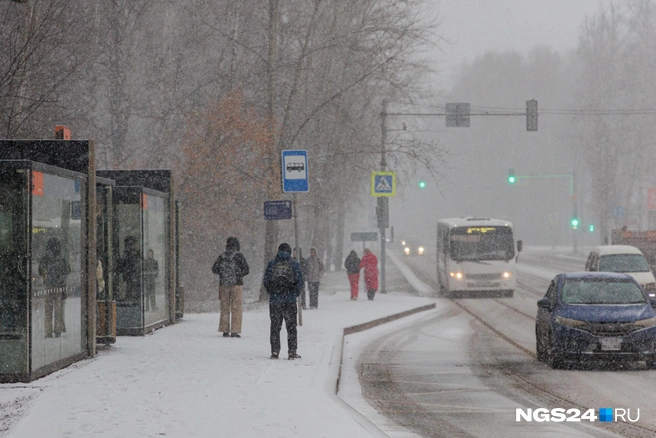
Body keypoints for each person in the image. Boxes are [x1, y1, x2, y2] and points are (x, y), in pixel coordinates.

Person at [263, 243, 304, 360]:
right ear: (289, 252)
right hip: (289, 301)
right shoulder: (294, 265)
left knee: (275, 327)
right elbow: (300, 282)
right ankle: (292, 351)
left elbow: (266, 281)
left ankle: (275, 351)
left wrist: (272, 293)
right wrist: (293, 294)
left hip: (275, 301)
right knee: (291, 327)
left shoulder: (272, 264)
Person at [212, 237, 249, 338]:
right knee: (236, 308)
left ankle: (224, 329)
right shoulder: (239, 256)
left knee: (225, 308)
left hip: (224, 285)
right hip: (237, 285)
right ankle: (235, 330)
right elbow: (246, 270)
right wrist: (238, 275)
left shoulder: (222, 256)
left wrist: (223, 274)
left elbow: (214, 269)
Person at [39, 237, 71, 338]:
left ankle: (48, 331)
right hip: (59, 286)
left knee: (48, 309)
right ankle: (58, 330)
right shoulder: (61, 257)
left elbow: (40, 270)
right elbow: (67, 270)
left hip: (48, 285)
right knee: (58, 309)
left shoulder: (45, 257)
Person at [116, 236, 141, 301]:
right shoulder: (130, 254)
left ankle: (130, 299)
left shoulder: (132, 254)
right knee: (130, 289)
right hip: (131, 276)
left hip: (131, 276)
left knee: (130, 289)